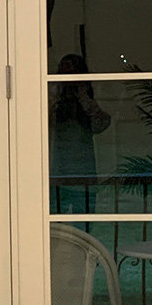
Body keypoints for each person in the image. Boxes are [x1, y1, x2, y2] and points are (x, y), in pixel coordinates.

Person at [50, 53, 111, 213]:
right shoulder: (53, 102)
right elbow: (40, 124)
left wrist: (83, 97)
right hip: (57, 173)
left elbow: (102, 124)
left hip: (82, 173)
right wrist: (54, 95)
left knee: (83, 219)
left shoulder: (87, 100)